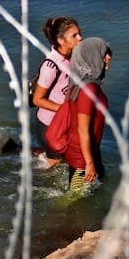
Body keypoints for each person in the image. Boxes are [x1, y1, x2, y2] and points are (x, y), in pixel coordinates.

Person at [61, 37, 112, 194]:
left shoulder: (83, 83)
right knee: (74, 200)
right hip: (82, 158)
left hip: (86, 151)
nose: (108, 57)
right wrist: (89, 163)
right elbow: (83, 129)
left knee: (89, 194)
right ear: (93, 56)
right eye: (103, 53)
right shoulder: (88, 89)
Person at [32, 16, 83, 167]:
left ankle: (15, 148)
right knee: (55, 161)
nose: (80, 38)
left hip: (64, 122)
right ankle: (36, 184)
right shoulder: (51, 66)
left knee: (62, 155)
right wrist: (64, 110)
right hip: (49, 125)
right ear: (61, 40)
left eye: (79, 33)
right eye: (74, 36)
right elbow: (37, 100)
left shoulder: (73, 56)